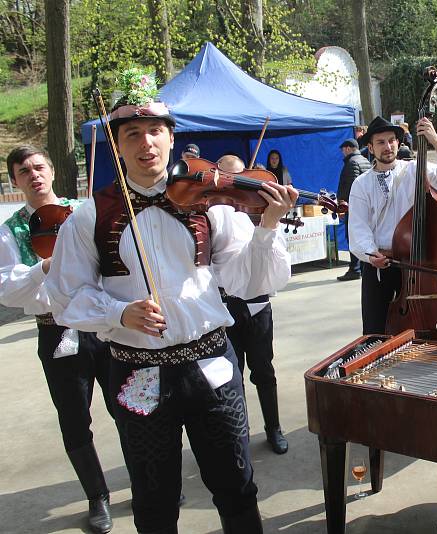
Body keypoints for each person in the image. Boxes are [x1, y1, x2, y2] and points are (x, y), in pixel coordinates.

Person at [46, 68, 297, 533]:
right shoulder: (89, 216)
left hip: (211, 362)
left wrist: (267, 227)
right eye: (134, 134)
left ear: (172, 138)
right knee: (154, 496)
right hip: (136, 370)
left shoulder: (208, 200)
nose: (147, 144)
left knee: (237, 485)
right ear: (118, 145)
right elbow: (64, 296)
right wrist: (119, 312)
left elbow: (248, 280)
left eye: (156, 131)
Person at [1, 145, 115, 534]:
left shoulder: (82, 210)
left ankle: (147, 476)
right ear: (14, 181)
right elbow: (6, 290)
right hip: (55, 328)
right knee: (74, 419)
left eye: (38, 167)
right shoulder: (10, 229)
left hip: (102, 321)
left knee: (130, 404)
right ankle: (97, 495)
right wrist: (43, 267)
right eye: (23, 171)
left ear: (51, 171)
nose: (33, 175)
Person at [347, 115, 437, 335]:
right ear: (370, 147)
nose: (387, 146)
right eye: (380, 142)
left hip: (418, 265)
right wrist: (371, 255)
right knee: (375, 330)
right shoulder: (361, 184)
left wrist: (436, 142)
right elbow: (358, 227)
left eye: (391, 140)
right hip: (379, 264)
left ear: (398, 143)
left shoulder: (415, 169)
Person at [216, 153, 290, 454]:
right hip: (225, 306)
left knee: (264, 370)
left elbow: (278, 262)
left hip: (258, 306)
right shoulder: (211, 212)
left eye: (241, 177)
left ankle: (274, 428)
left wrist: (269, 222)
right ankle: (239, 433)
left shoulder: (259, 209)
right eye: (228, 178)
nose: (236, 186)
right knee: (232, 375)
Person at [336, 138, 372, 281]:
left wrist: (342, 204)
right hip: (365, 207)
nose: (342, 153)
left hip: (353, 207)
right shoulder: (365, 161)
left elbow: (350, 187)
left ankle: (355, 269)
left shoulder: (351, 163)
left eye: (343, 149)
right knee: (363, 236)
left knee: (353, 237)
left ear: (348, 148)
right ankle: (362, 268)